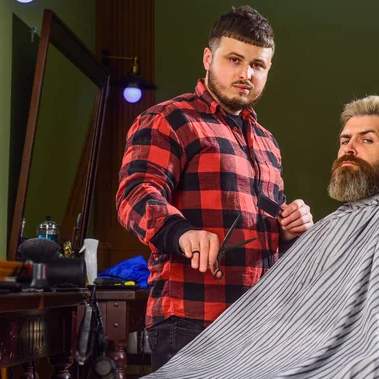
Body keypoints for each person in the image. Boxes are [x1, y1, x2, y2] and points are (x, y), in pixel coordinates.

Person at [142, 95, 379, 378]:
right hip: (219, 329)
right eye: (345, 140)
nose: (349, 148)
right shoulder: (334, 225)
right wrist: (289, 236)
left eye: (367, 140)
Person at [115, 6, 313, 371]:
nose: (245, 74)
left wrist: (288, 229)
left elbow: (268, 232)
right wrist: (181, 232)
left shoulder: (267, 143)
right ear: (209, 57)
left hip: (261, 324)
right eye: (234, 59)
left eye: (258, 65)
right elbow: (135, 195)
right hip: (191, 321)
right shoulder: (169, 119)